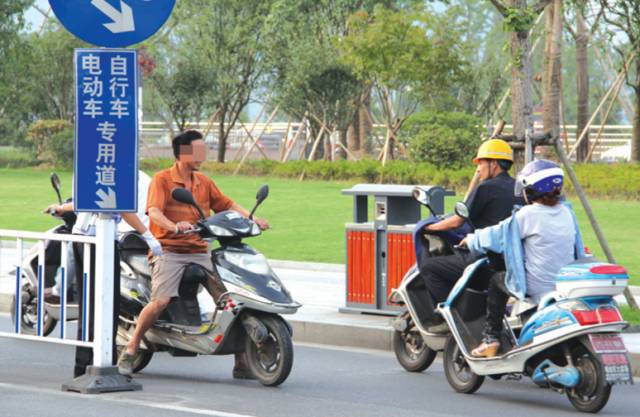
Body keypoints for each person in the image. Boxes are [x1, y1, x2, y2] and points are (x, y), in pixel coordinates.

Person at [118, 130, 269, 378]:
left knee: (232, 300)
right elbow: (154, 212)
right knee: (161, 301)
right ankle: (132, 346)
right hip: (169, 250)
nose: (202, 155)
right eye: (197, 150)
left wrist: (252, 219)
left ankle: (242, 361)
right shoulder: (162, 179)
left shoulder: (204, 182)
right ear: (182, 152)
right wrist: (174, 227)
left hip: (199, 250)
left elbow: (227, 205)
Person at [459, 160, 585, 358]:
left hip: (537, 287)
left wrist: (470, 239)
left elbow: (498, 235)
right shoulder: (567, 212)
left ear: (532, 190)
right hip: (564, 286)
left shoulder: (527, 215)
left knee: (496, 281)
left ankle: (491, 339)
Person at [45, 171, 161, 377]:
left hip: (97, 239)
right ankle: (92, 366)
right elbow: (120, 207)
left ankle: (89, 365)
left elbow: (88, 201)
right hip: (101, 240)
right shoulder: (124, 172)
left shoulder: (101, 170)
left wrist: (62, 208)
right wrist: (148, 234)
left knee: (96, 307)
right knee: (101, 307)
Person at [419, 139, 524, 332]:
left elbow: (458, 220)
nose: (479, 169)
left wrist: (431, 228)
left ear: (493, 164)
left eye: (481, 163)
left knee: (429, 267)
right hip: (511, 261)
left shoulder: (486, 188)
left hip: (483, 260)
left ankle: (449, 318)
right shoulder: (518, 188)